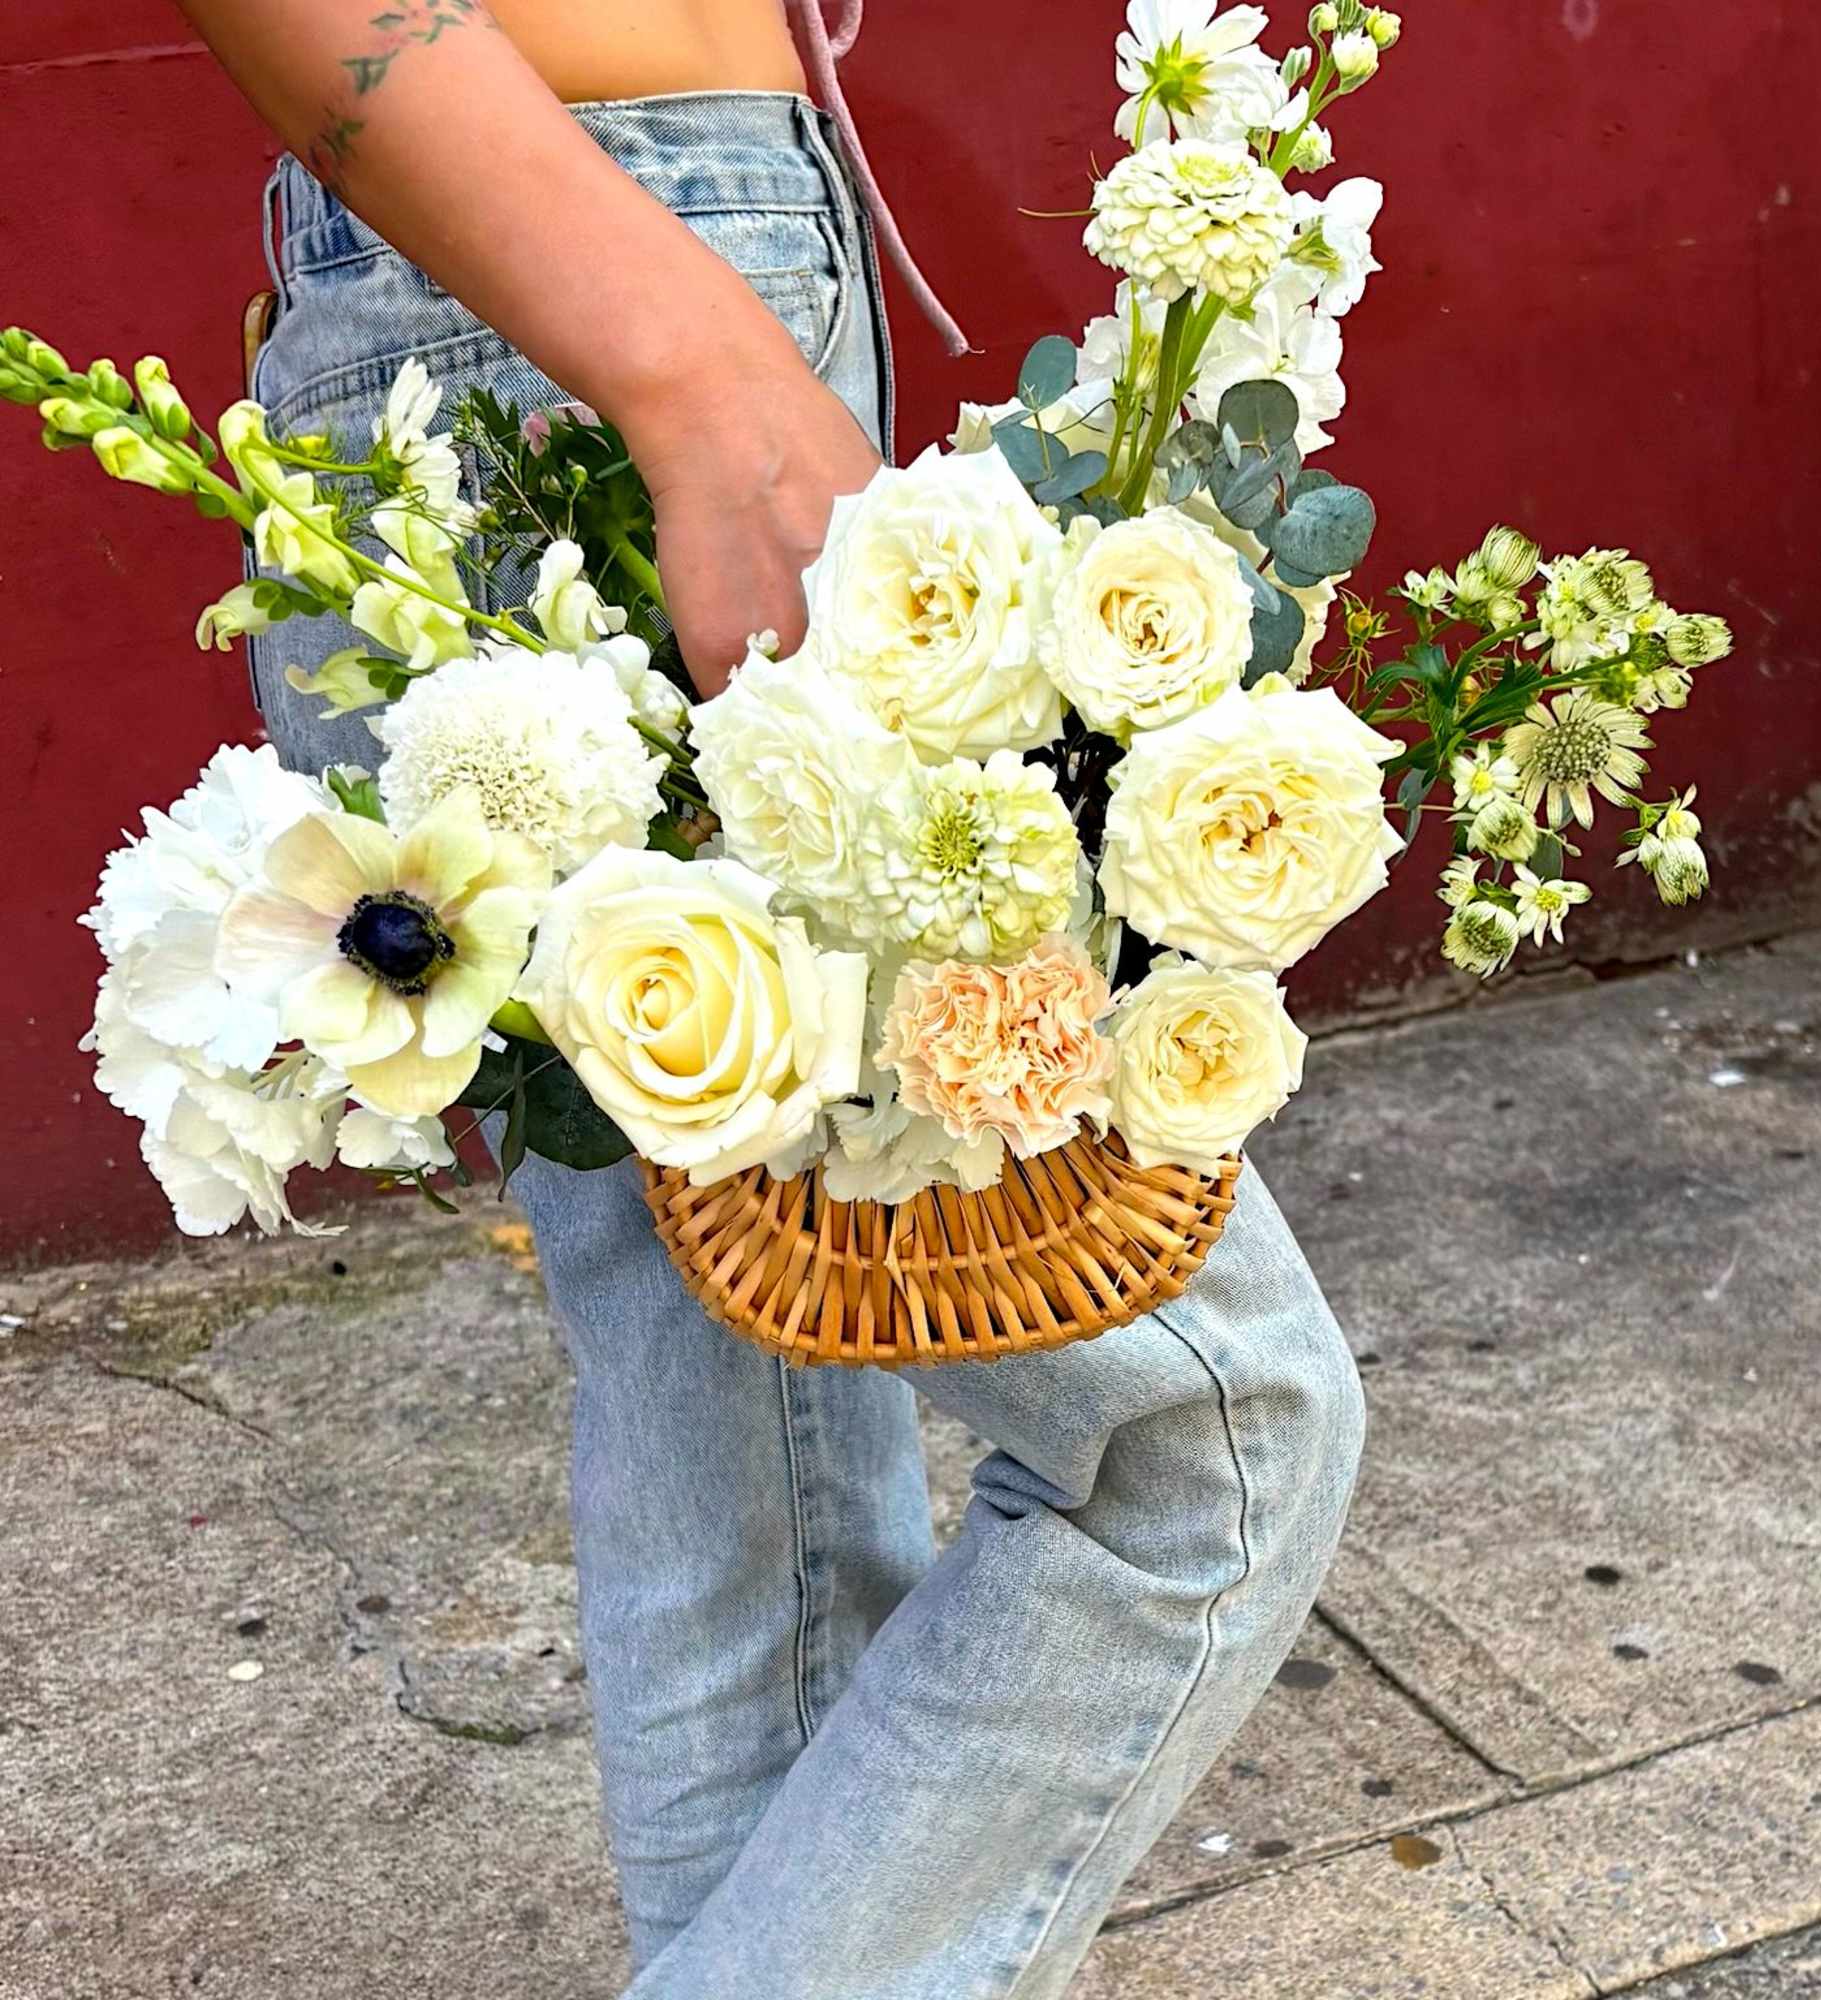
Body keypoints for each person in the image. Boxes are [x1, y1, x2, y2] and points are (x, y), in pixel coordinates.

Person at [179, 2, 1366, 1993]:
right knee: (1206, 1434)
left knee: (735, 1453)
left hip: (535, 263)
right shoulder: (661, 332)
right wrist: (699, 356)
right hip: (601, 270)